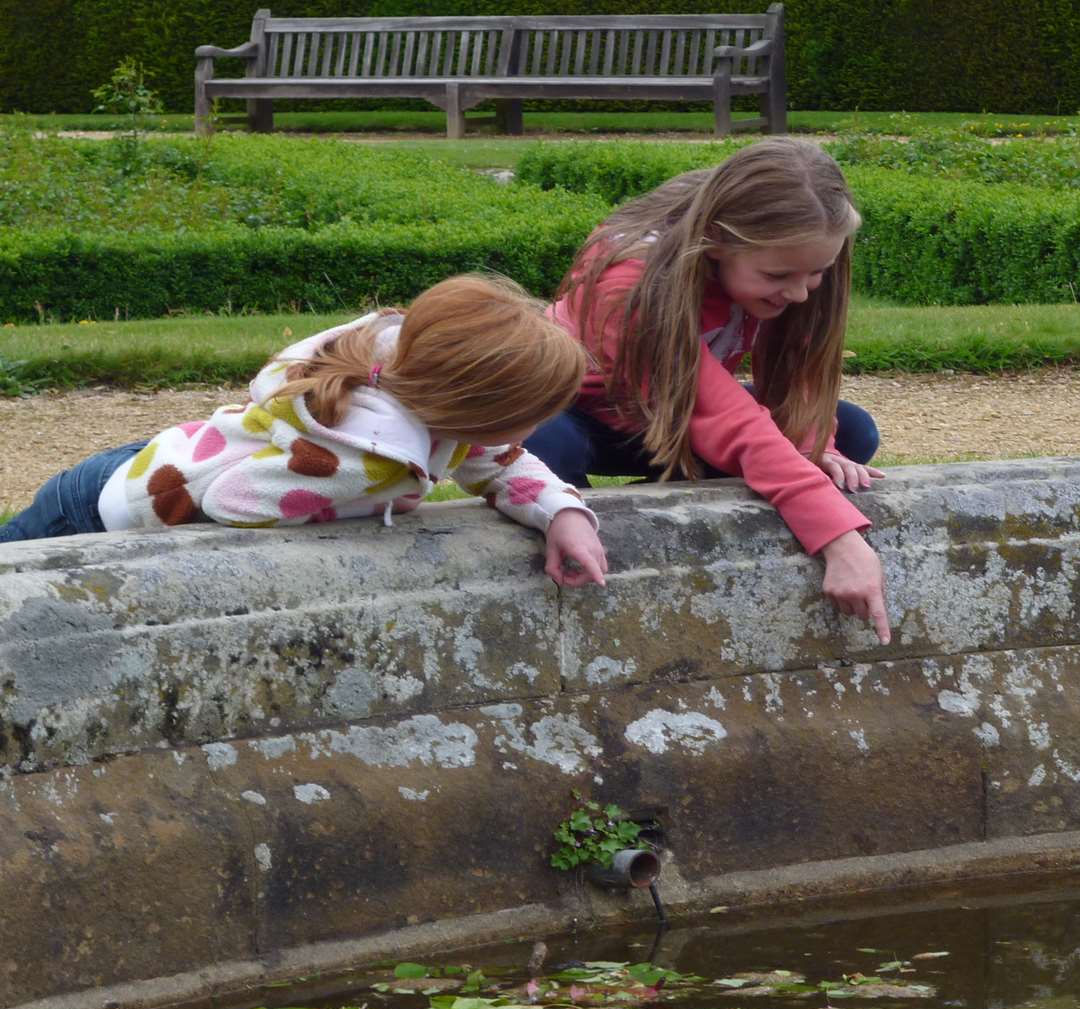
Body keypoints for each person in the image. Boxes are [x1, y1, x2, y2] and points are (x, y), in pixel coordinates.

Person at [2, 275, 610, 588]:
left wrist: (563, 512)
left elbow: (500, 461)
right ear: (470, 408)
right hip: (101, 508)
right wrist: (360, 495)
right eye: (532, 412)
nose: (536, 427)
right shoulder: (363, 457)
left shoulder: (410, 377)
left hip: (148, 462)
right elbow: (230, 502)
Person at [527, 137, 892, 641]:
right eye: (778, 275)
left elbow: (798, 380)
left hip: (674, 419)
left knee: (850, 431)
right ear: (717, 241)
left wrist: (819, 447)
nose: (801, 291)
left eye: (819, 272)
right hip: (588, 416)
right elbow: (720, 413)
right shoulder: (630, 279)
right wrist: (838, 537)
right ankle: (589, 542)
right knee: (540, 440)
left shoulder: (790, 265)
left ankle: (658, 512)